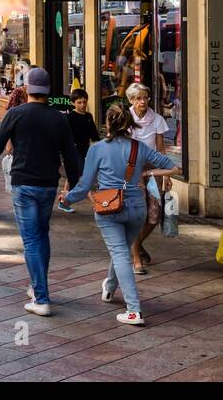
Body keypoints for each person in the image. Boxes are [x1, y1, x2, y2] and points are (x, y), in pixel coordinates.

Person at [61, 105, 181, 325]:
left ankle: (134, 310)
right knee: (121, 252)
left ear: (108, 123)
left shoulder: (97, 149)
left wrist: (68, 198)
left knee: (120, 254)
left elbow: (85, 184)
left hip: (110, 209)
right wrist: (147, 172)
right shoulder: (139, 148)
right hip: (137, 208)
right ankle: (109, 287)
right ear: (129, 124)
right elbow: (174, 168)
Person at [0, 68, 79, 317]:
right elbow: (70, 155)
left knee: (32, 240)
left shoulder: (16, 114)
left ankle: (41, 297)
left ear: (26, 88)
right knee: (41, 236)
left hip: (23, 184)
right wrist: (73, 185)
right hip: (48, 184)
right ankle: (38, 288)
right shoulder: (59, 118)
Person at [126, 82, 172, 273]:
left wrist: (167, 174)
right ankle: (136, 258)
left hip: (153, 170)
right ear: (131, 100)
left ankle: (134, 245)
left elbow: (161, 149)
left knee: (154, 215)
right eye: (137, 98)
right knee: (137, 214)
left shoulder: (157, 119)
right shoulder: (126, 117)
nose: (142, 101)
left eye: (145, 97)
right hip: (132, 170)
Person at [59, 88, 101, 213]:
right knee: (82, 177)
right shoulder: (70, 117)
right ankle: (94, 203)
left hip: (85, 149)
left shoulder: (88, 116)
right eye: (79, 102)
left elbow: (94, 135)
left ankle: (64, 200)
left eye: (84, 102)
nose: (82, 105)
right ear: (73, 103)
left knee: (75, 175)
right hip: (74, 150)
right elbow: (66, 135)